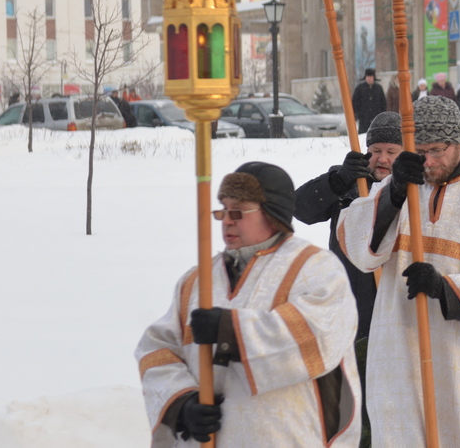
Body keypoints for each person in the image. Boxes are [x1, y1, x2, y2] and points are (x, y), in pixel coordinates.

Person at [337, 95, 460, 447]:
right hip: (401, 346)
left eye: (436, 150)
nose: (427, 161)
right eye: (419, 152)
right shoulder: (398, 189)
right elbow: (355, 244)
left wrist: (446, 288)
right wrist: (395, 192)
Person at [136, 162, 361, 447]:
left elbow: (318, 338)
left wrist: (231, 329)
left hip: (288, 435)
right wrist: (183, 402)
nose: (227, 221)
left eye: (238, 212)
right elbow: (157, 350)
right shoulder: (197, 281)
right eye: (223, 211)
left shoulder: (315, 268)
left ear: (272, 213)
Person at [294, 111, 404, 446]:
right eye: (375, 150)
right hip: (351, 312)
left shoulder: (412, 190)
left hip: (394, 313)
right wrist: (337, 180)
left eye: (391, 151)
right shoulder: (348, 187)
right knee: (352, 411)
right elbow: (300, 208)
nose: (381, 158)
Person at [352, 68, 386, 133]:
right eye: (367, 76)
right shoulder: (360, 88)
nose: (369, 78)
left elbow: (383, 103)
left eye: (370, 76)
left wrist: (382, 115)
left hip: (376, 118)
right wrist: (357, 114)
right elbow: (354, 102)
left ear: (373, 77)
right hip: (364, 118)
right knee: (363, 136)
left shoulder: (378, 88)